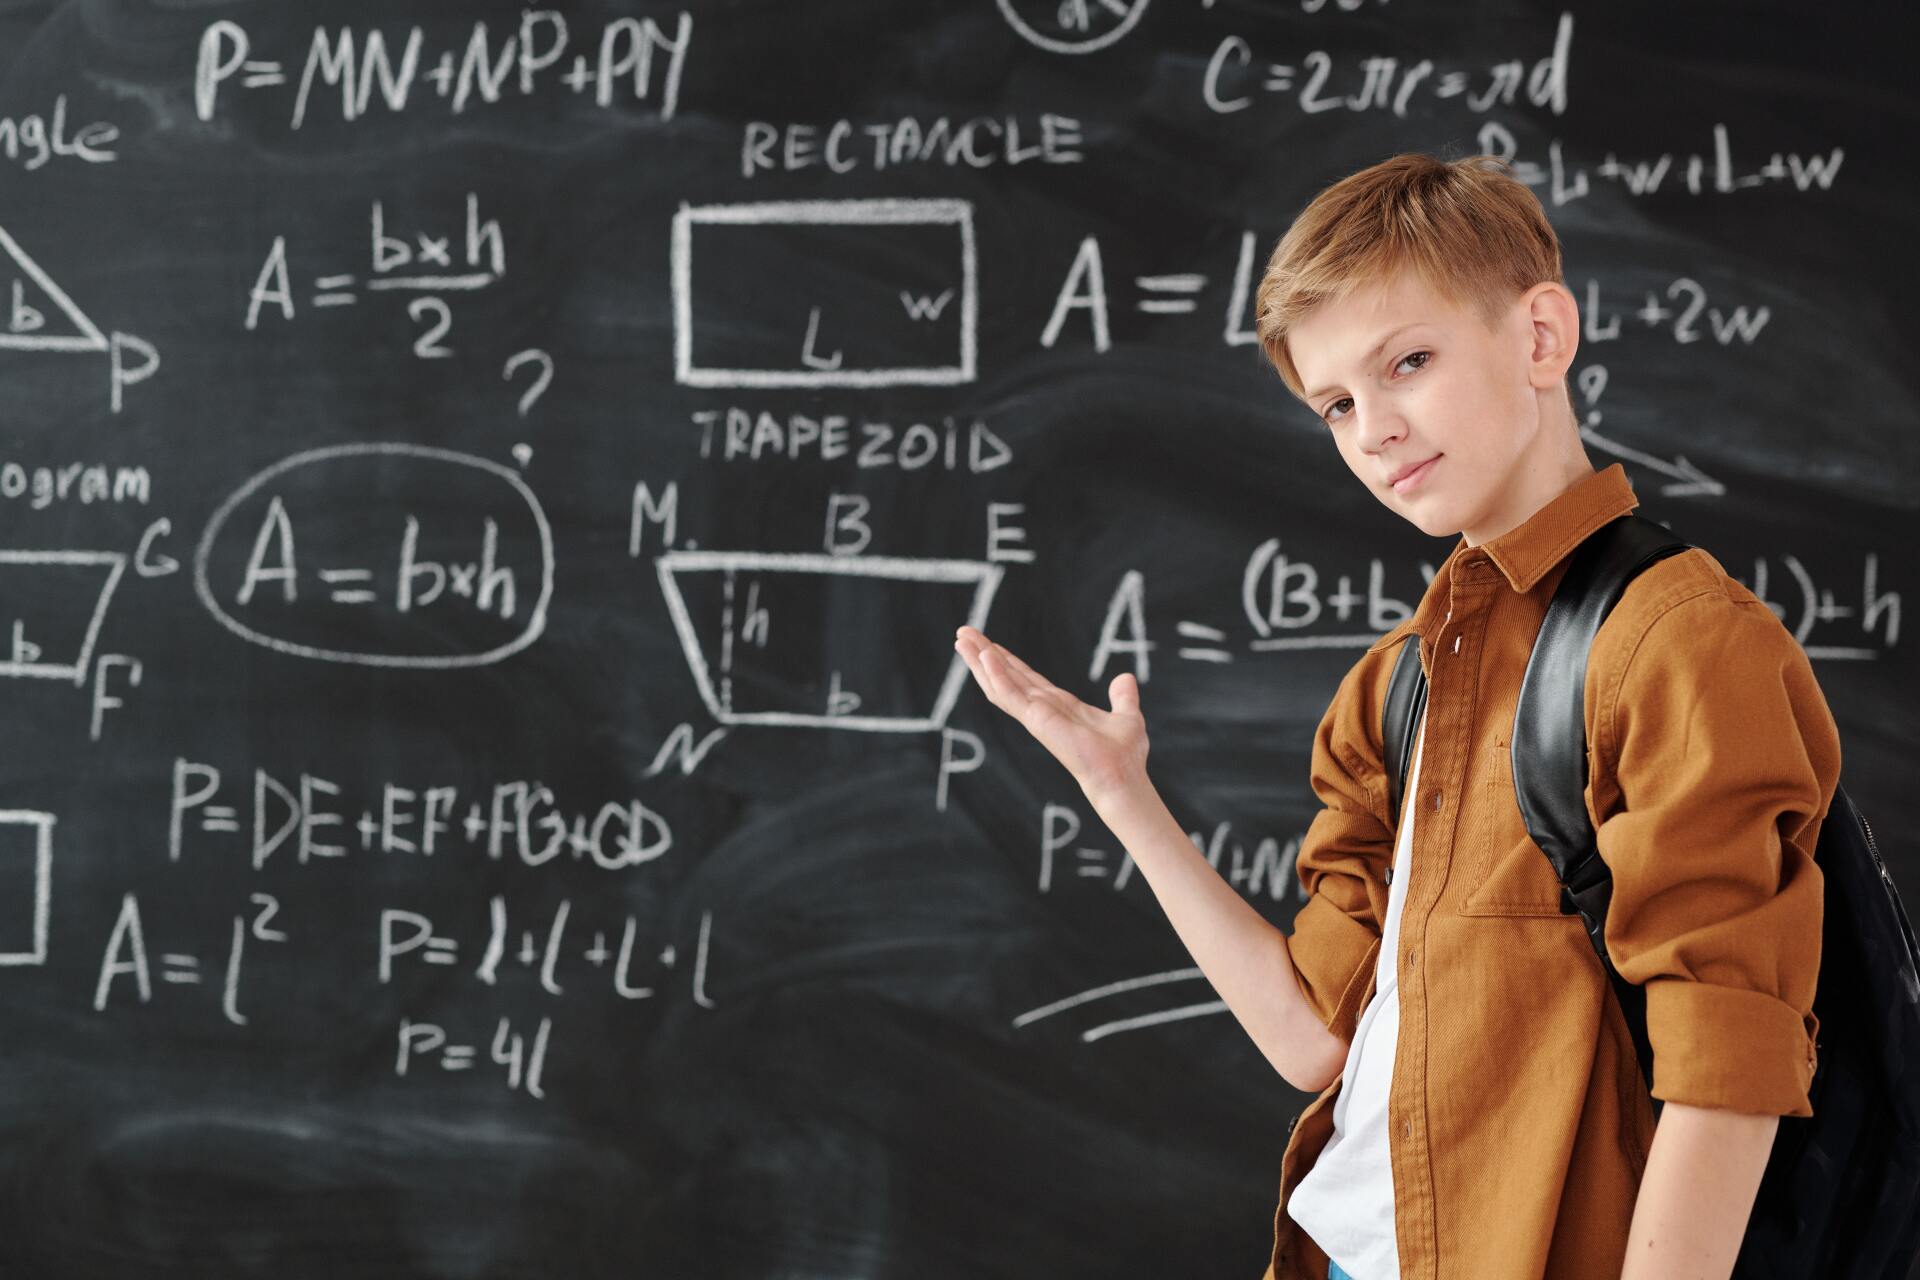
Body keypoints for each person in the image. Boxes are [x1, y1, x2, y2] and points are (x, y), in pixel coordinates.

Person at [952, 151, 1838, 1280]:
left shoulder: (1676, 640)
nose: (1373, 428)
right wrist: (1121, 795)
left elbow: (1726, 1059)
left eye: (1408, 361)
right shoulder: (1396, 684)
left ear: (1540, 337)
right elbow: (1313, 1034)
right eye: (1336, 403)